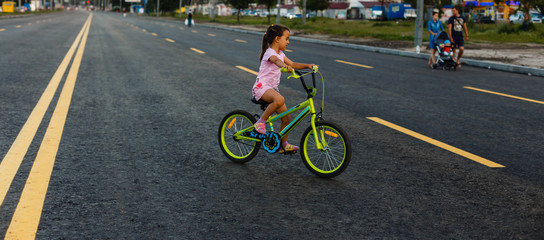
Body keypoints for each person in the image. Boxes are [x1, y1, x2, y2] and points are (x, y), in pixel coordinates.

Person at [252, 24, 316, 153]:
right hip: (261, 87)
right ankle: (260, 123)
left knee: (286, 118)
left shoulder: (281, 53)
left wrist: (308, 66)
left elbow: (292, 64)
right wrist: (284, 66)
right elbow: (276, 61)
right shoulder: (270, 52)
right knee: (280, 99)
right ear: (277, 39)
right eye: (286, 38)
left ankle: (283, 144)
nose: (288, 42)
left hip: (272, 89)